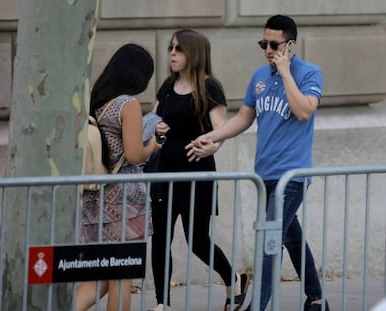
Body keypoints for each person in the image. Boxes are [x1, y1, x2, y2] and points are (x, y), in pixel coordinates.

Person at [186, 15, 330, 311]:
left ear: (290, 44)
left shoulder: (309, 73)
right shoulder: (259, 77)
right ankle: (316, 298)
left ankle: (258, 306)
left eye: (274, 44)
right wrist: (209, 138)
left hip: (292, 175)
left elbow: (304, 112)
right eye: (264, 43)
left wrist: (286, 73)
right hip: (264, 174)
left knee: (269, 240)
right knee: (291, 237)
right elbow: (243, 118)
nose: (268, 49)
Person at [150, 29, 249, 311]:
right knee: (160, 240)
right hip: (165, 175)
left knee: (197, 241)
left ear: (193, 53)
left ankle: (234, 279)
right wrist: (155, 129)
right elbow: (153, 124)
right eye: (171, 48)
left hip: (197, 176)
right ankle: (162, 304)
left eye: (178, 49)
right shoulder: (167, 87)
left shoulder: (209, 88)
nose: (172, 53)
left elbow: (221, 131)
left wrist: (211, 146)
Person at [76, 43, 162, 311]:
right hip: (125, 199)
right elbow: (135, 154)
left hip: (95, 196)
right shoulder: (128, 104)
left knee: (103, 274)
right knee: (122, 275)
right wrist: (154, 145)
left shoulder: (97, 102)